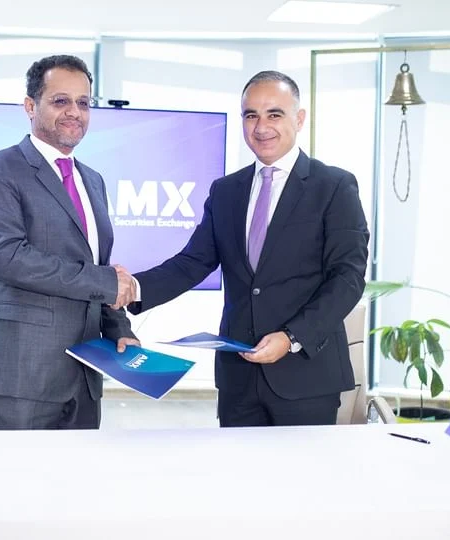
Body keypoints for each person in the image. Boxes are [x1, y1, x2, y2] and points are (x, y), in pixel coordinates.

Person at [127, 70, 369, 427]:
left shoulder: (333, 186)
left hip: (305, 375)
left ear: (299, 119)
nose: (261, 126)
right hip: (238, 378)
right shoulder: (226, 191)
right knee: (235, 466)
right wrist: (133, 288)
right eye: (251, 115)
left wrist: (292, 337)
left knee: (302, 467)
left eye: (275, 114)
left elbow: (347, 278)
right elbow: (193, 263)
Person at [0, 55, 139, 430]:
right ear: (30, 106)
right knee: (14, 470)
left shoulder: (93, 180)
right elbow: (6, 257)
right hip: (21, 376)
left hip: (85, 374)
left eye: (83, 102)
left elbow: (97, 267)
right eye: (61, 101)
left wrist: (120, 331)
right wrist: (106, 282)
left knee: (80, 472)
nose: (74, 112)